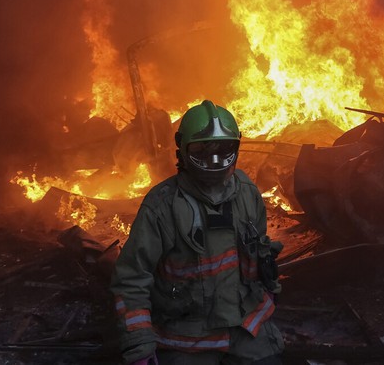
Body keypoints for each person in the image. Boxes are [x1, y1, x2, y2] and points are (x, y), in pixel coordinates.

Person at [111, 100, 284, 364]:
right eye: (202, 150)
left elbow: (260, 254)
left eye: (224, 149)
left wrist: (268, 290)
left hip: (248, 327)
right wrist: (139, 345)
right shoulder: (162, 206)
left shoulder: (248, 193)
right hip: (187, 338)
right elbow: (131, 279)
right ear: (181, 150)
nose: (214, 160)